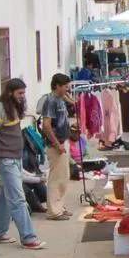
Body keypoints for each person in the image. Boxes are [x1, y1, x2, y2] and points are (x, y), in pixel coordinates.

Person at [0, 78, 44, 249]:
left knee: (5, 197)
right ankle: (28, 238)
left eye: (24, 93)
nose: (22, 96)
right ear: (10, 92)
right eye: (19, 93)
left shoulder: (13, 107)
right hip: (5, 160)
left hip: (15, 159)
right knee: (18, 199)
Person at [41, 73, 73, 221]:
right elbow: (46, 125)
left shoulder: (60, 99)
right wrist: (56, 143)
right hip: (56, 144)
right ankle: (54, 211)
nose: (68, 88)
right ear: (57, 86)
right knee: (56, 177)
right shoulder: (50, 101)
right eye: (65, 86)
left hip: (63, 141)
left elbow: (74, 103)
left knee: (63, 177)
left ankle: (60, 206)